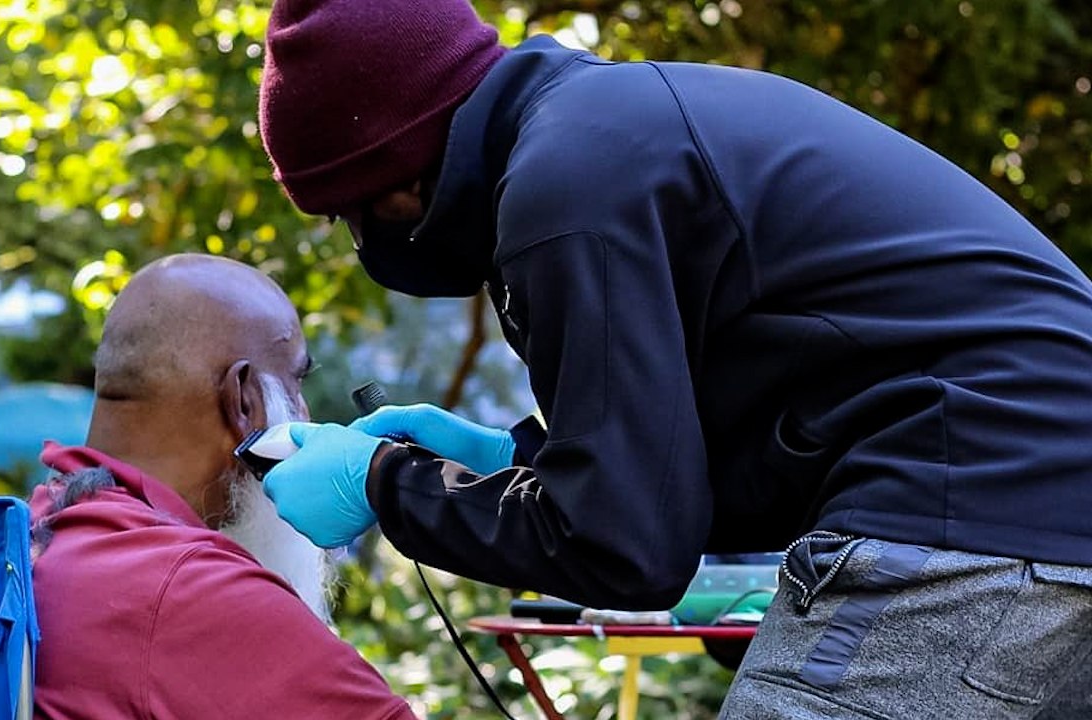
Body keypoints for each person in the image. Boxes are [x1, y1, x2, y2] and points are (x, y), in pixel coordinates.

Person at [255, 0, 1092, 717]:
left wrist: (381, 483)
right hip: (1042, 500)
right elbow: (678, 483)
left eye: (346, 213)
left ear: (395, 176)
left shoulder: (562, 188)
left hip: (978, 507)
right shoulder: (604, 132)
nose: (364, 241)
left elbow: (626, 549)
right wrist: (523, 462)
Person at [28, 254, 414, 719]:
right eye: (295, 382)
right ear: (243, 398)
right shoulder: (188, 590)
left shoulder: (47, 524)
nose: (304, 413)